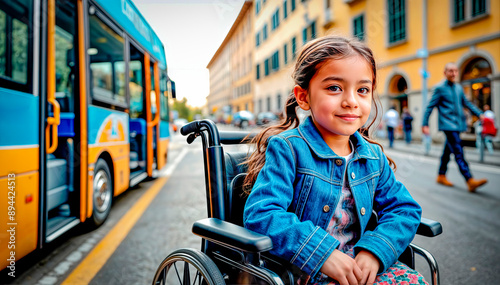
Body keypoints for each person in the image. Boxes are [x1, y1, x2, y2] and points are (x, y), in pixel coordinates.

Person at [243, 36, 427, 285]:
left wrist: (375, 250)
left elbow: (404, 209)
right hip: (301, 269)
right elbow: (262, 214)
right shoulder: (288, 149)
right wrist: (321, 252)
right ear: (304, 97)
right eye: (334, 88)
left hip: (359, 266)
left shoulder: (373, 156)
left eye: (362, 90)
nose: (351, 101)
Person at [422, 62, 488, 192]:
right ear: (445, 72)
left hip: (458, 124)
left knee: (448, 151)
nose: (453, 74)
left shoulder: (458, 88)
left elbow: (467, 103)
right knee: (458, 151)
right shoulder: (439, 88)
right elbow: (429, 107)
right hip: (448, 125)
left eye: (455, 71)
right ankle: (469, 179)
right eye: (450, 71)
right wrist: (425, 124)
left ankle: (441, 175)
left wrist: (480, 114)